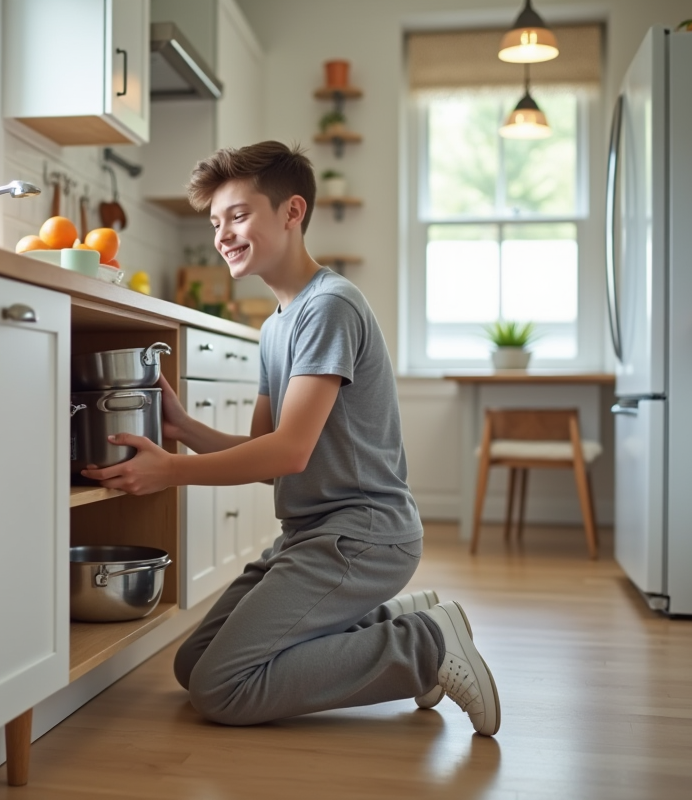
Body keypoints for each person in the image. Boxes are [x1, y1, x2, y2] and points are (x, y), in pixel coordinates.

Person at [79, 141, 500, 736]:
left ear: (292, 211)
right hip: (311, 537)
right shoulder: (276, 326)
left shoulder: (329, 307)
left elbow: (289, 451)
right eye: (216, 221)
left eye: (239, 215)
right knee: (193, 664)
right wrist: (184, 430)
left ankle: (422, 647)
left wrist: (169, 470)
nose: (224, 233)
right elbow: (265, 458)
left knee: (223, 689)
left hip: (363, 536)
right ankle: (396, 619)